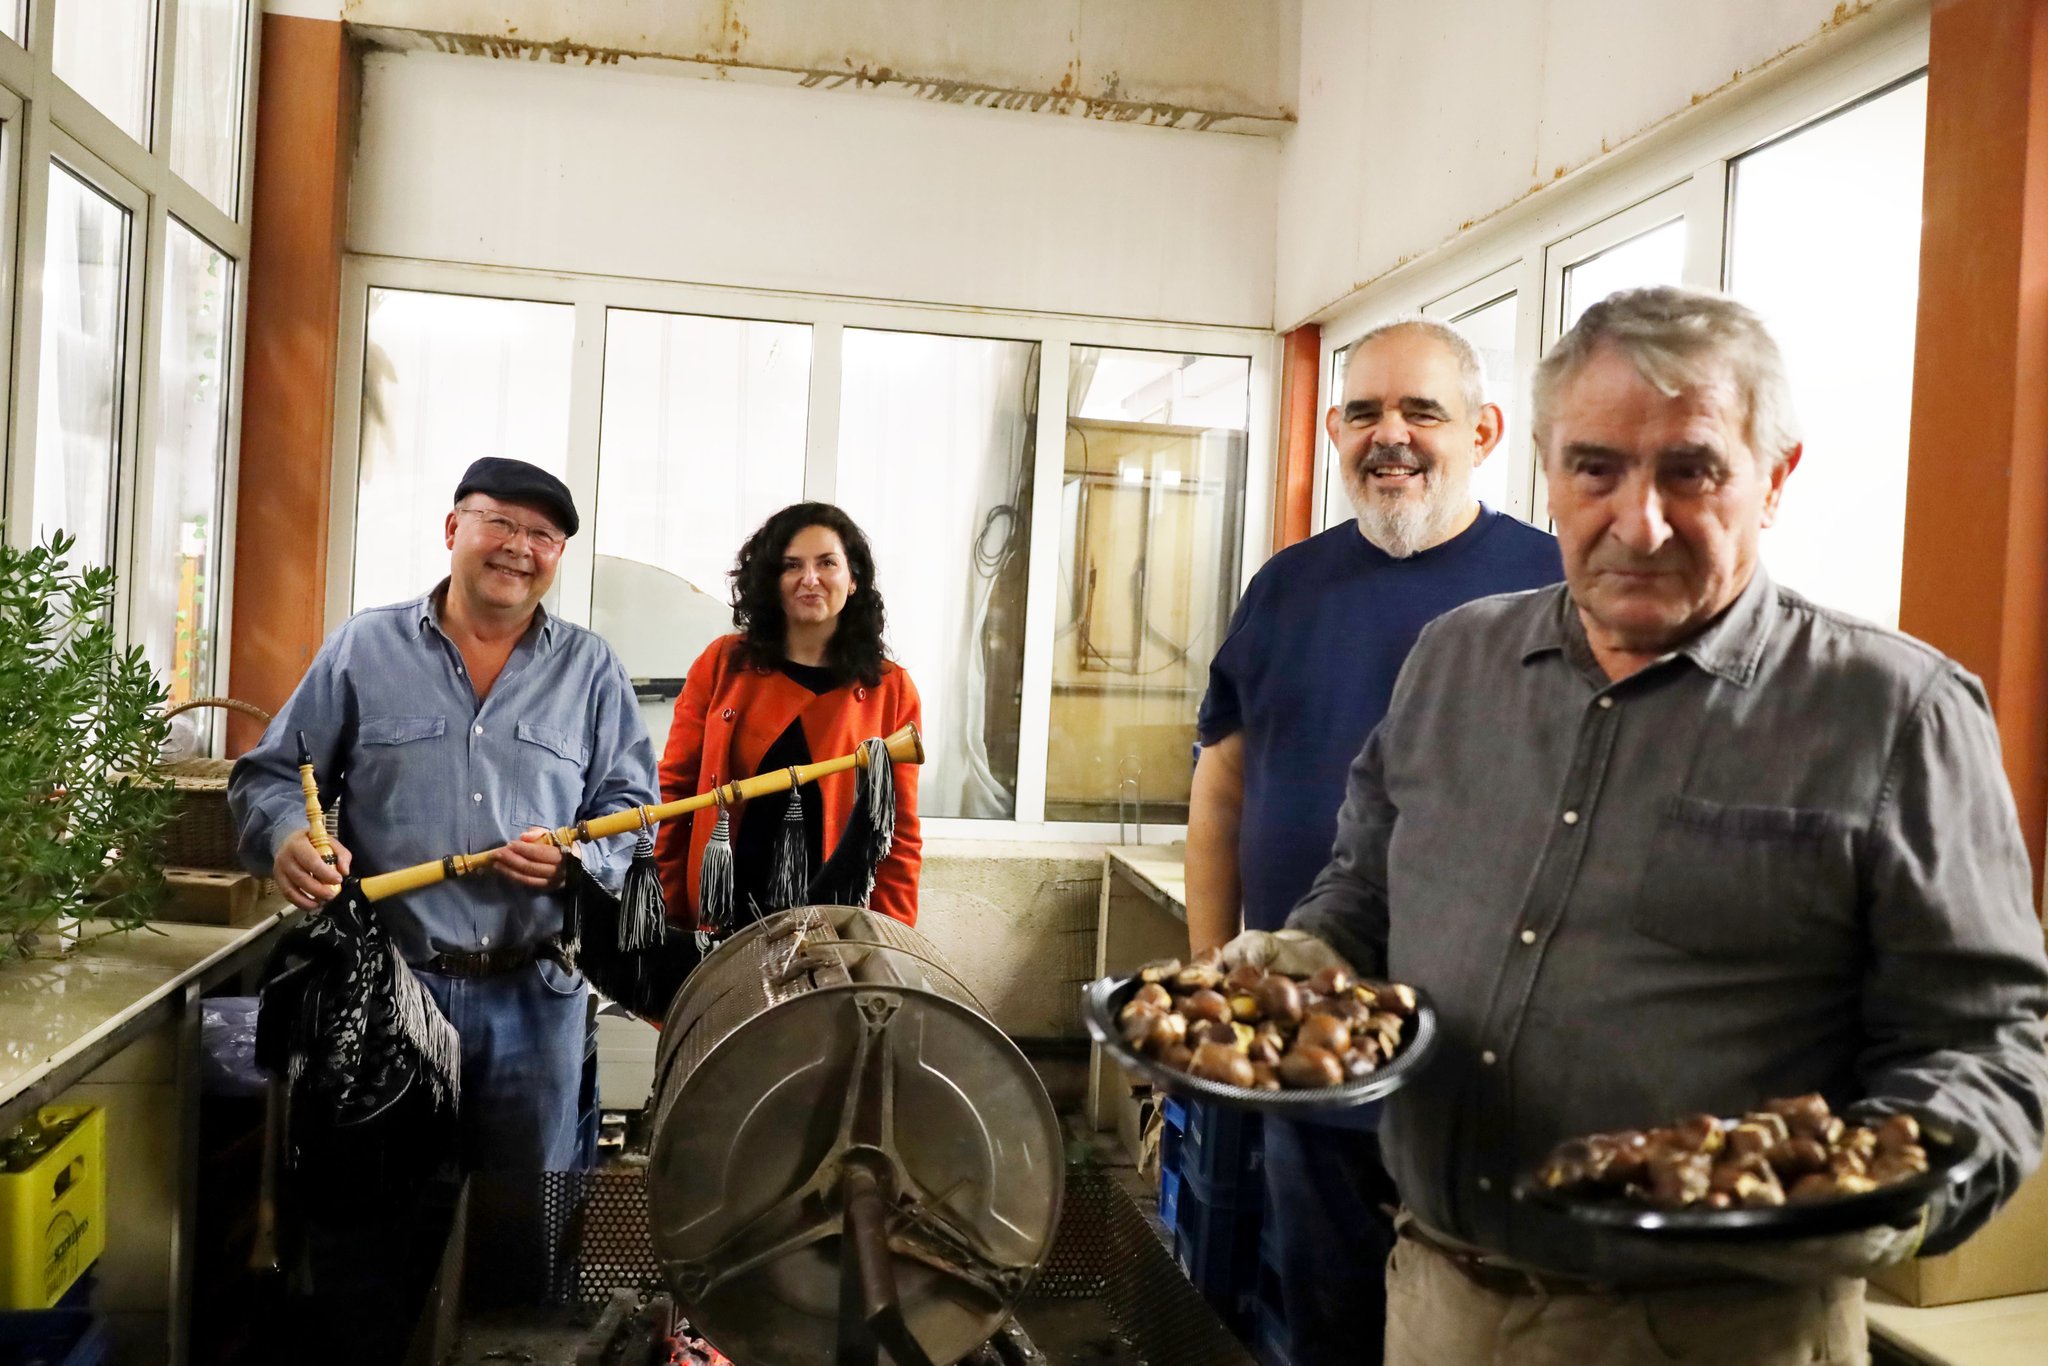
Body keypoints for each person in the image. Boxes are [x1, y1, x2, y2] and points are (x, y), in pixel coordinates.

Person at [1238, 286, 2048, 1365]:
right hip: (1438, 1302)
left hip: (1716, 1331)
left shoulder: (1891, 713)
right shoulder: (1452, 661)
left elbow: (1985, 1045)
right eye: (1595, 468)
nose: (1639, 520)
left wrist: (1870, 1188)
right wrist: (1294, 962)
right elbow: (1366, 889)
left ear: (1775, 476)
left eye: (1690, 468)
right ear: (1543, 463)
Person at [1185, 317, 1562, 1366]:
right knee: (1323, 1322)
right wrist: (1208, 970)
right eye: (1363, 412)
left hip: (1478, 1061)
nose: (1387, 435)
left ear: (1483, 431)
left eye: (1419, 411)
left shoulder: (1553, 589)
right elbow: (1221, 787)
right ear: (1332, 430)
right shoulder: (1287, 586)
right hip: (1307, 1034)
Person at [229, 457, 657, 1361]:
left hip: (531, 1003)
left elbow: (631, 813)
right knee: (368, 1238)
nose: (520, 548)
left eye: (543, 536)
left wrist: (576, 860)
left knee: (523, 1250)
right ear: (452, 528)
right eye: (500, 522)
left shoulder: (589, 669)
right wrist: (288, 841)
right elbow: (270, 775)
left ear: (559, 557)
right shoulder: (364, 648)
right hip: (389, 998)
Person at [655, 501, 922, 934]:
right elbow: (676, 795)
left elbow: (899, 834)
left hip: (834, 925)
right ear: (770, 581)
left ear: (853, 579)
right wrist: (668, 919)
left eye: (827, 563)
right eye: (791, 565)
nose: (809, 579)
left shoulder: (889, 689)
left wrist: (889, 938)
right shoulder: (723, 663)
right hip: (723, 914)